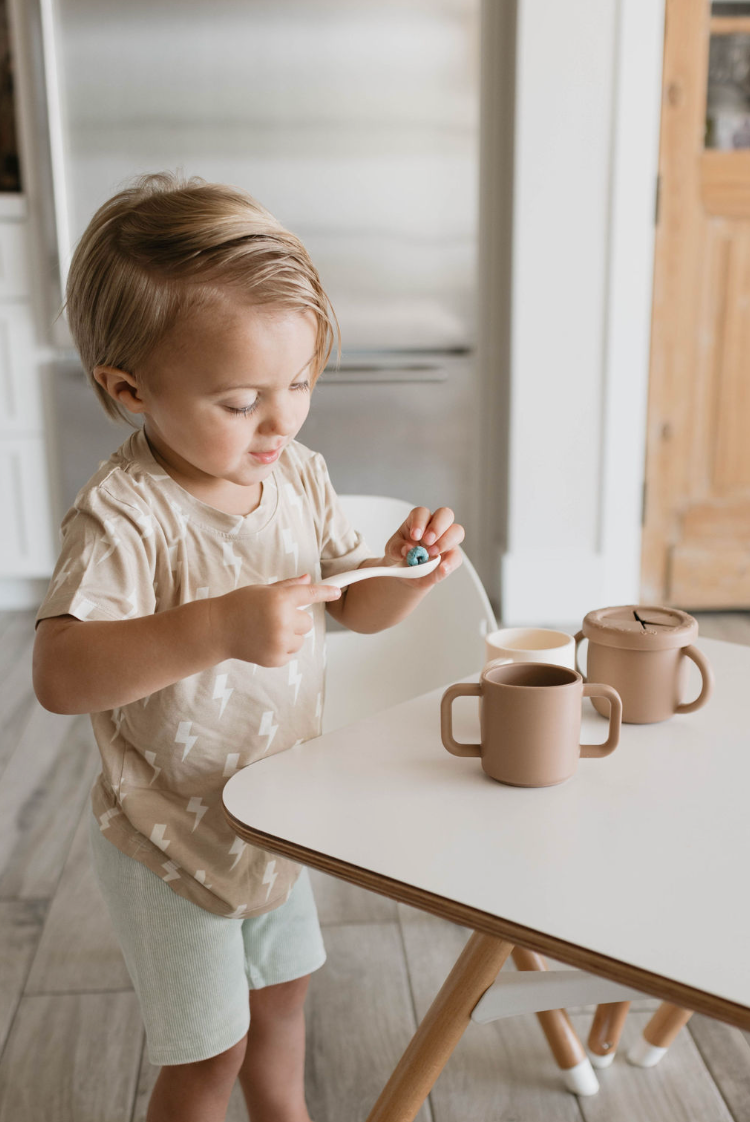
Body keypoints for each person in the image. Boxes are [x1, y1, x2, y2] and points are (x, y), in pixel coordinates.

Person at [32, 172, 465, 1122]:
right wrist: (220, 625)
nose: (281, 421)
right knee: (207, 1058)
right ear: (129, 388)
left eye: (301, 382)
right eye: (240, 401)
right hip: (168, 839)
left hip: (271, 820)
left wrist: (405, 572)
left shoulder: (297, 474)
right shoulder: (125, 516)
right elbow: (61, 675)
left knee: (282, 1013)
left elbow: (356, 611)